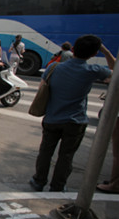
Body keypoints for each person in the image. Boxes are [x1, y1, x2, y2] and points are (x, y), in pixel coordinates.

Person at [29, 35, 114, 192]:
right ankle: (58, 186)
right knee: (66, 156)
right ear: (94, 54)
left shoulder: (54, 67)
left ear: (73, 49)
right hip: (75, 121)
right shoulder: (93, 70)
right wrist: (105, 51)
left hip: (52, 118)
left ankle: (39, 180)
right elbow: (115, 71)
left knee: (45, 152)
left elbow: (43, 88)